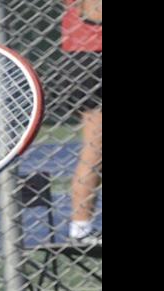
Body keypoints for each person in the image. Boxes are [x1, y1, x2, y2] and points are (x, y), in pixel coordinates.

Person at [62, 0, 101, 244]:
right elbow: (94, 11)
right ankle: (81, 230)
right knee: (95, 151)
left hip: (87, 52)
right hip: (92, 55)